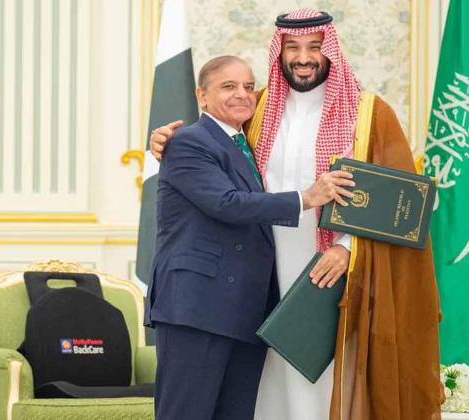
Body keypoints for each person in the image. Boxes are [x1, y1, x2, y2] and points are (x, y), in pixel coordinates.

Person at [150, 9, 444, 420]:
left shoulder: (369, 114)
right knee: (260, 387)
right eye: (292, 47)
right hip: (255, 281)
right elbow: (213, 155)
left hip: (332, 271)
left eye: (314, 47)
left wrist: (346, 248)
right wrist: (164, 139)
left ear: (330, 51)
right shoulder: (257, 109)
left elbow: (400, 203)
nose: (303, 58)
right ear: (280, 52)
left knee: (326, 378)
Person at [145, 55, 356, 420]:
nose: (242, 94)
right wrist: (307, 198)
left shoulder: (247, 143)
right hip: (197, 307)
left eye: (248, 86)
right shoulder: (188, 142)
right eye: (228, 86)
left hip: (244, 311)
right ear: (201, 96)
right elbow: (227, 203)